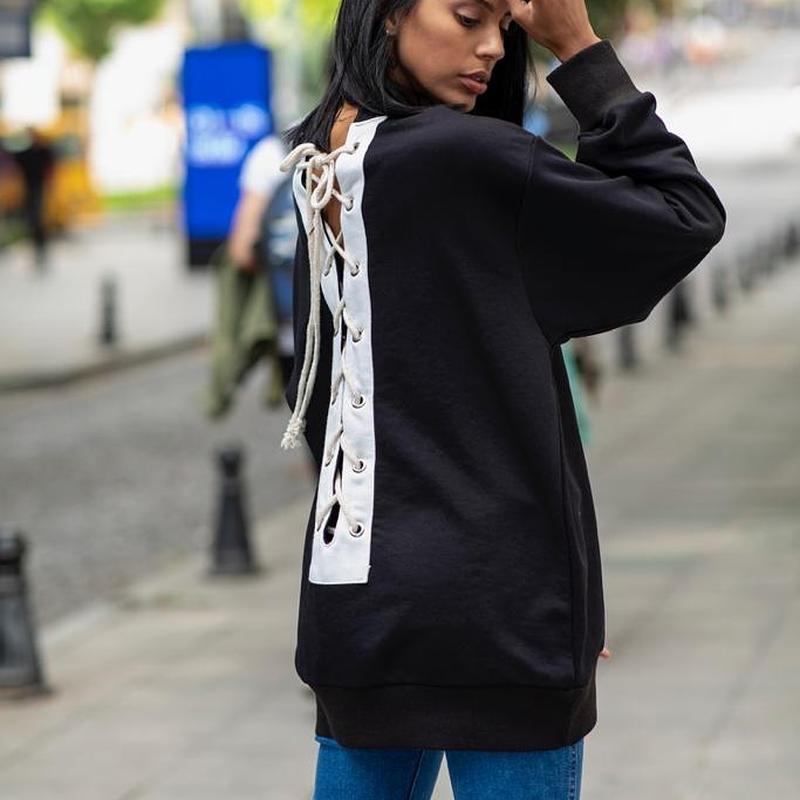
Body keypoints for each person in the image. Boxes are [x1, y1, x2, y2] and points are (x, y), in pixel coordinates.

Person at [277, 0, 726, 797]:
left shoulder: (322, 162)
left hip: (357, 605)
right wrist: (577, 45)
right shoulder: (472, 156)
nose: (490, 46)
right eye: (467, 16)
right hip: (505, 605)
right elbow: (683, 213)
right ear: (388, 13)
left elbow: (318, 401)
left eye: (505, 29)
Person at [11, 128, 55, 269]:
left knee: (37, 219)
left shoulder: (43, 152)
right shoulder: (28, 153)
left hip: (39, 188)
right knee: (33, 219)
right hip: (29, 189)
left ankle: (40, 247)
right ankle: (37, 246)